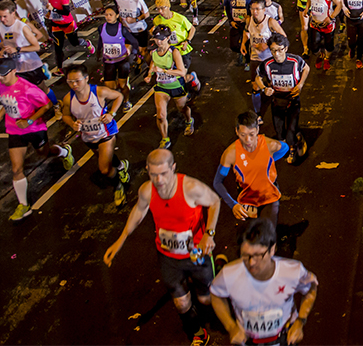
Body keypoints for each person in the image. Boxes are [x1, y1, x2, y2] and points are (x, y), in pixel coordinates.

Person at [103, 149, 221, 346]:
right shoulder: (147, 190)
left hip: (196, 252)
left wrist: (209, 234)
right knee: (181, 303)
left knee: (205, 299)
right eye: (153, 174)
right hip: (168, 255)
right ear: (148, 171)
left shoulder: (191, 188)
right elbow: (139, 211)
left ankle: (217, 265)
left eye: (164, 174)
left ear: (173, 168)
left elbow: (215, 202)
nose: (159, 180)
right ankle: (197, 333)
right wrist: (121, 239)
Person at [210, 218, 318, 345]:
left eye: (258, 255)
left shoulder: (293, 271)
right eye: (245, 255)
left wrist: (301, 320)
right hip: (247, 341)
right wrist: (230, 326)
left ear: (272, 249)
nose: (251, 263)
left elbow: (311, 288)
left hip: (284, 339)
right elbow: (216, 295)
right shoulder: (229, 274)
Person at [0, 59, 73, 222]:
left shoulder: (27, 88)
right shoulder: (1, 85)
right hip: (14, 130)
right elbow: (6, 103)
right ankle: (23, 205)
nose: (1, 79)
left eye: (3, 76)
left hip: (35, 129)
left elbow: (46, 105)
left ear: (13, 72)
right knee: (16, 168)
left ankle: (63, 151)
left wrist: (29, 121)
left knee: (44, 153)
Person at [60, 64, 129, 205]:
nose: (74, 84)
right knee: (105, 158)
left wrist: (112, 114)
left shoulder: (99, 92)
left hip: (106, 133)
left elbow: (119, 96)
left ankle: (118, 187)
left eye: (77, 81)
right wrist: (72, 124)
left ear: (86, 79)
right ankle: (121, 166)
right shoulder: (68, 98)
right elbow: (65, 115)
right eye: (70, 82)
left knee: (104, 168)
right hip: (88, 136)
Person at [213, 111, 289, 228]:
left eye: (251, 134)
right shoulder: (230, 154)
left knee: (268, 235)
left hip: (269, 197)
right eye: (243, 135)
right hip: (247, 201)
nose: (248, 140)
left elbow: (285, 148)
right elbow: (218, 182)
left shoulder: (270, 145)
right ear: (237, 131)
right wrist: (233, 204)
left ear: (257, 130)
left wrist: (269, 160)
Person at [254, 34, 310, 164]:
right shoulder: (267, 64)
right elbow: (258, 77)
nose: (277, 54)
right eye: (273, 50)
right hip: (277, 101)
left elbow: (306, 68)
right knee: (279, 133)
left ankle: (294, 147)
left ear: (285, 48)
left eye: (279, 49)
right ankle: (289, 143)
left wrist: (300, 84)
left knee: (290, 131)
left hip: (293, 100)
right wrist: (263, 88)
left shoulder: (295, 61)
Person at [146, 25, 195, 149]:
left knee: (182, 108)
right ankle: (165, 138)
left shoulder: (174, 52)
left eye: (161, 39)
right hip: (161, 87)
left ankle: (189, 120)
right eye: (156, 39)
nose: (158, 42)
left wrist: (164, 70)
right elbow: (153, 62)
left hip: (176, 85)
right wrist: (149, 74)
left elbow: (181, 72)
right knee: (160, 115)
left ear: (168, 38)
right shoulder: (154, 51)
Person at [45, 0, 96, 74]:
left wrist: (54, 9)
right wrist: (49, 13)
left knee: (74, 43)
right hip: (56, 24)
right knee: (58, 47)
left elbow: (66, 11)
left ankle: (87, 43)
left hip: (67, 23)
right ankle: (60, 68)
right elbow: (51, 9)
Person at [152, 0, 201, 91]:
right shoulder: (157, 20)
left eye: (163, 8)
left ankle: (191, 78)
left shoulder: (179, 18)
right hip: (169, 51)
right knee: (175, 75)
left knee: (182, 74)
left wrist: (187, 41)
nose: (160, 11)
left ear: (169, 7)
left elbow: (192, 29)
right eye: (158, 8)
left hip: (182, 49)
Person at [96, 4, 138, 112]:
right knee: (109, 87)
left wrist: (132, 53)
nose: (108, 17)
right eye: (106, 15)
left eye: (111, 14)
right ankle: (113, 102)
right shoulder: (101, 28)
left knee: (122, 85)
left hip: (122, 61)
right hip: (108, 62)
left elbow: (134, 41)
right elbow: (100, 41)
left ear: (117, 15)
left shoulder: (122, 29)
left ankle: (126, 101)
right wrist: (98, 53)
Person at [305, 0, 343, 71]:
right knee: (313, 46)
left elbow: (339, 4)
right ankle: (320, 55)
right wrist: (306, 8)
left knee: (329, 45)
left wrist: (331, 17)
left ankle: (326, 58)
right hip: (314, 23)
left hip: (327, 25)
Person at [241, 0, 285, 81]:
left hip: (270, 58)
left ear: (264, 10)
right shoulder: (249, 20)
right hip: (254, 57)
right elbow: (246, 31)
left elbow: (283, 36)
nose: (255, 12)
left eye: (257, 9)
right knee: (255, 83)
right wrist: (243, 44)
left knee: (270, 82)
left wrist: (267, 45)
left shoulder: (270, 22)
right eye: (252, 9)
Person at [115, 0, 150, 67]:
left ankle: (150, 68)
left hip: (140, 30)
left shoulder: (137, 0)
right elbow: (118, 12)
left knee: (143, 51)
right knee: (127, 50)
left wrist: (136, 20)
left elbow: (146, 14)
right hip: (127, 31)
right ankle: (135, 60)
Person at [224, 0, 255, 66]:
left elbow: (251, 10)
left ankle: (248, 61)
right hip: (235, 23)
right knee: (233, 45)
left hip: (246, 23)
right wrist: (231, 21)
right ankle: (241, 53)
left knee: (247, 42)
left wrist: (248, 20)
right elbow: (227, 8)